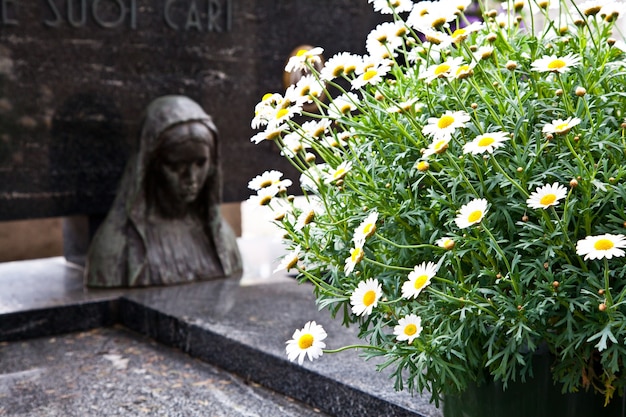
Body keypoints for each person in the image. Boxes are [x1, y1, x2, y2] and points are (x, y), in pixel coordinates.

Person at [85, 95, 242, 287]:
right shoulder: (116, 250)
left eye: (200, 163)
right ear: (151, 166)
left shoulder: (223, 241)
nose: (191, 178)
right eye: (176, 166)